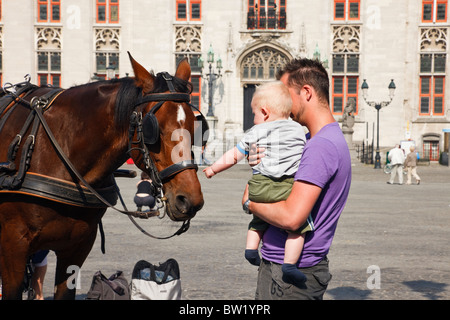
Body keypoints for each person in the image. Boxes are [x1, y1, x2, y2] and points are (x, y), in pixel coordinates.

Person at [244, 58, 352, 300]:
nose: (280, 105)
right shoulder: (317, 139)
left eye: (285, 95)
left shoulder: (320, 147)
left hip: (290, 276)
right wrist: (260, 167)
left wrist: (250, 202)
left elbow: (293, 219)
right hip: (287, 267)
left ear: (306, 92)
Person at [203, 81, 313, 287]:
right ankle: (290, 264)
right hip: (288, 187)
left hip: (260, 185)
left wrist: (213, 169)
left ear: (264, 112)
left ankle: (251, 249)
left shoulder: (255, 132)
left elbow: (233, 155)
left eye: (253, 114)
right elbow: (307, 154)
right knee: (298, 228)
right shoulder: (299, 130)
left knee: (258, 220)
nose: (253, 119)